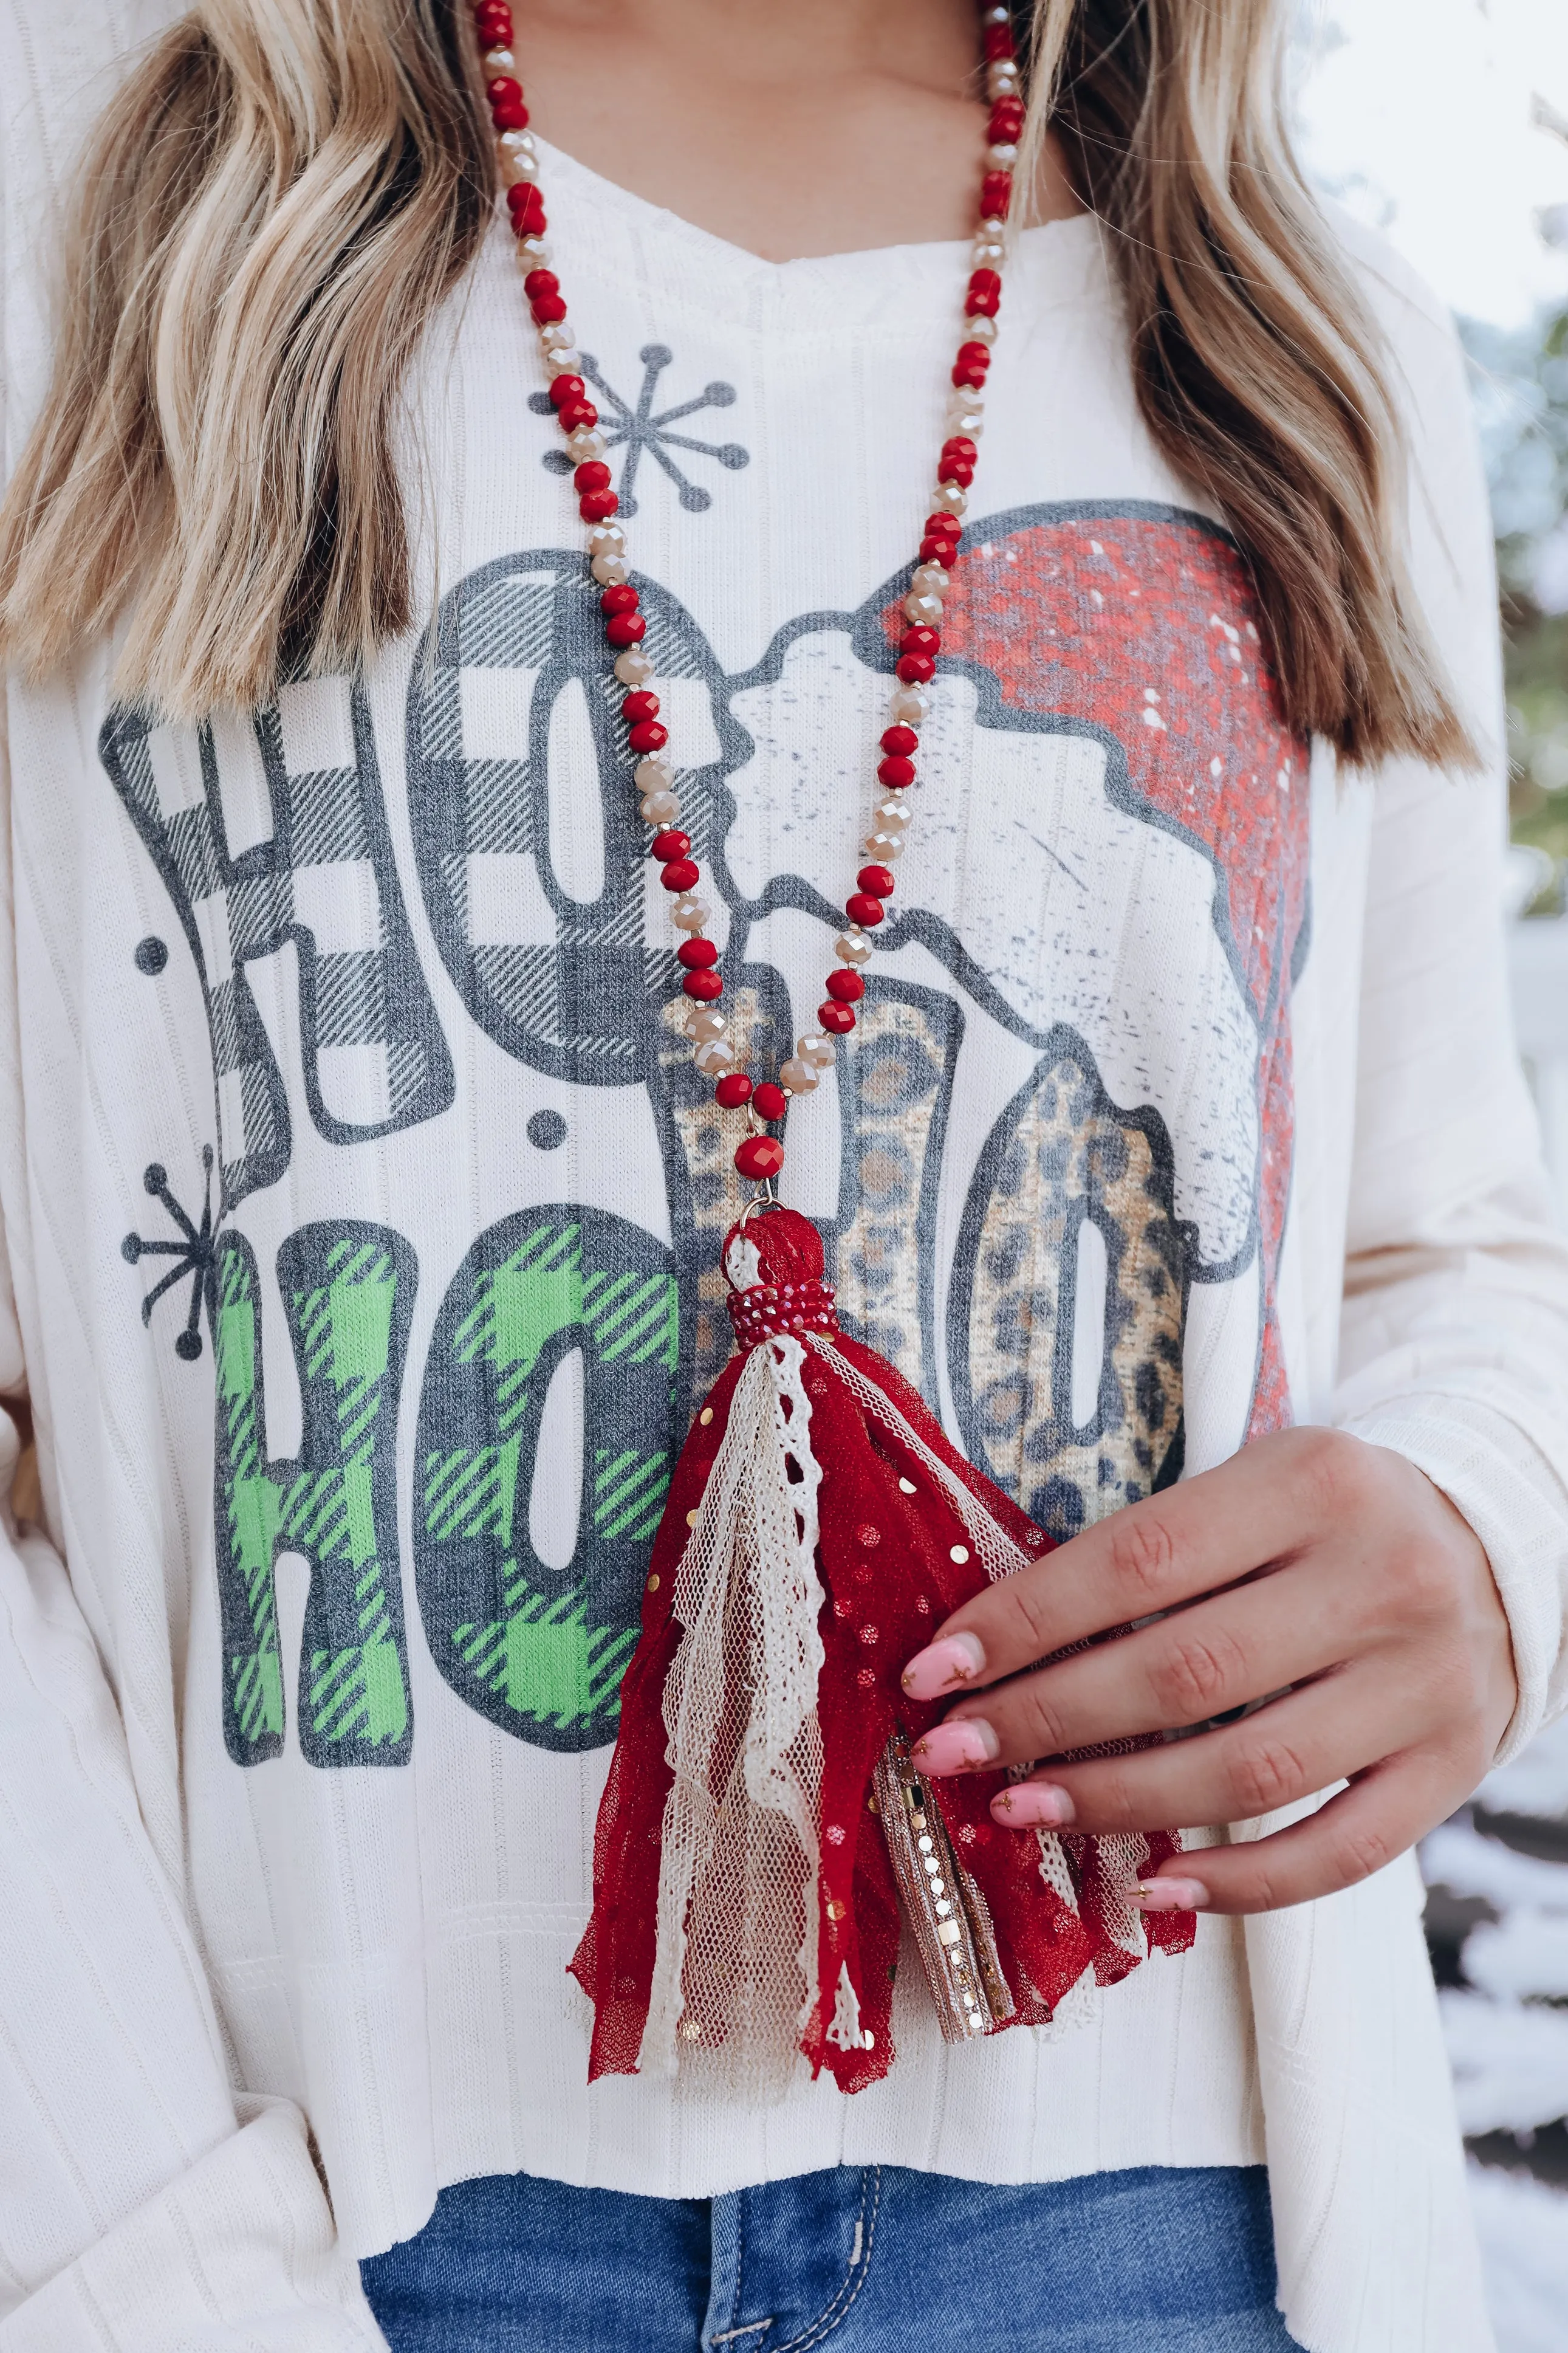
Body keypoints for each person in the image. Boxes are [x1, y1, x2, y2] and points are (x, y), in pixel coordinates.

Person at [0, 0, 1564, 2346]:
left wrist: (1475, 1512)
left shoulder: (1290, 324)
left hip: (1149, 2217)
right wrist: (129, 2241)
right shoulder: (77, 174)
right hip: (299, 2210)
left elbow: (1444, 1241)